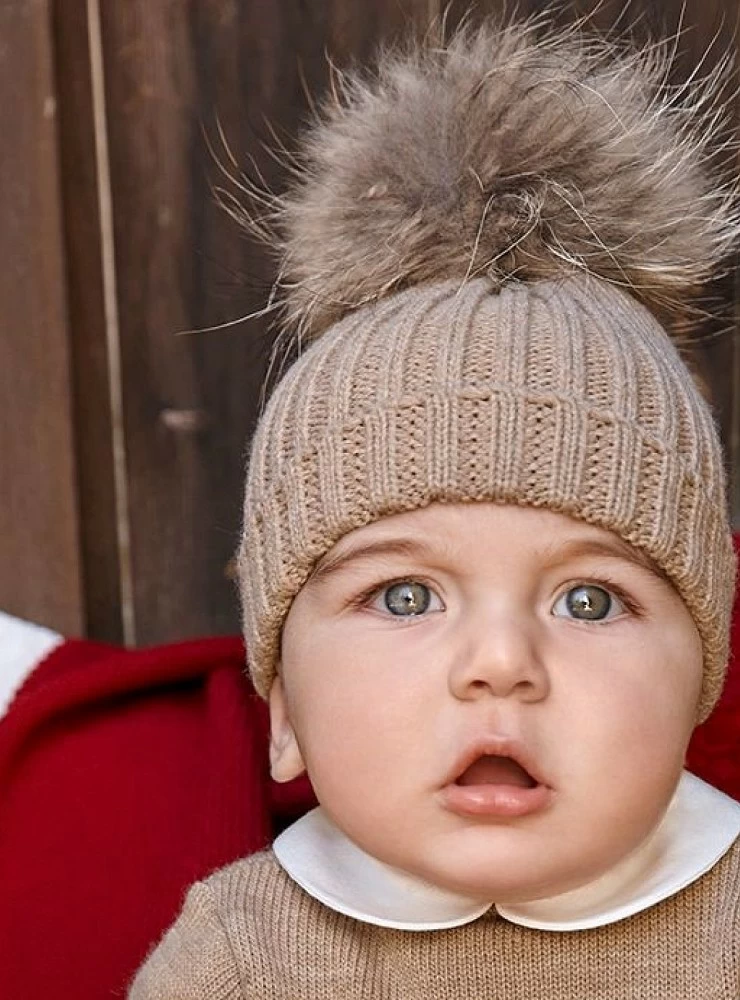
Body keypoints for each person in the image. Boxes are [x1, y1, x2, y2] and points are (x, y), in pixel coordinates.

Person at [129, 15, 740, 998]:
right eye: (405, 595)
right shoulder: (239, 957)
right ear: (281, 709)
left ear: (699, 682)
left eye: (587, 600)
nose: (500, 664)